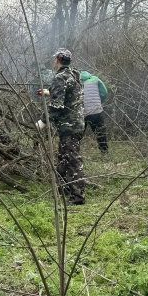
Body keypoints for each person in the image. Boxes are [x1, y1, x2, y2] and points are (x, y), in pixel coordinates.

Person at [36, 48, 88, 205]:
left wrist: (43, 121)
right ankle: (65, 190)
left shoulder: (60, 77)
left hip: (69, 126)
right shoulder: (74, 75)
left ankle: (78, 197)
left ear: (57, 60)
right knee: (64, 158)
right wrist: (50, 92)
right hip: (77, 124)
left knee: (72, 160)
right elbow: (68, 94)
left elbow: (56, 106)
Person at [80, 70, 109, 153]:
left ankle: (75, 153)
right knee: (101, 133)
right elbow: (104, 92)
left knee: (78, 134)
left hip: (82, 112)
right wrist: (99, 102)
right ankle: (104, 152)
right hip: (97, 111)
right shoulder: (95, 79)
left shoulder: (76, 81)